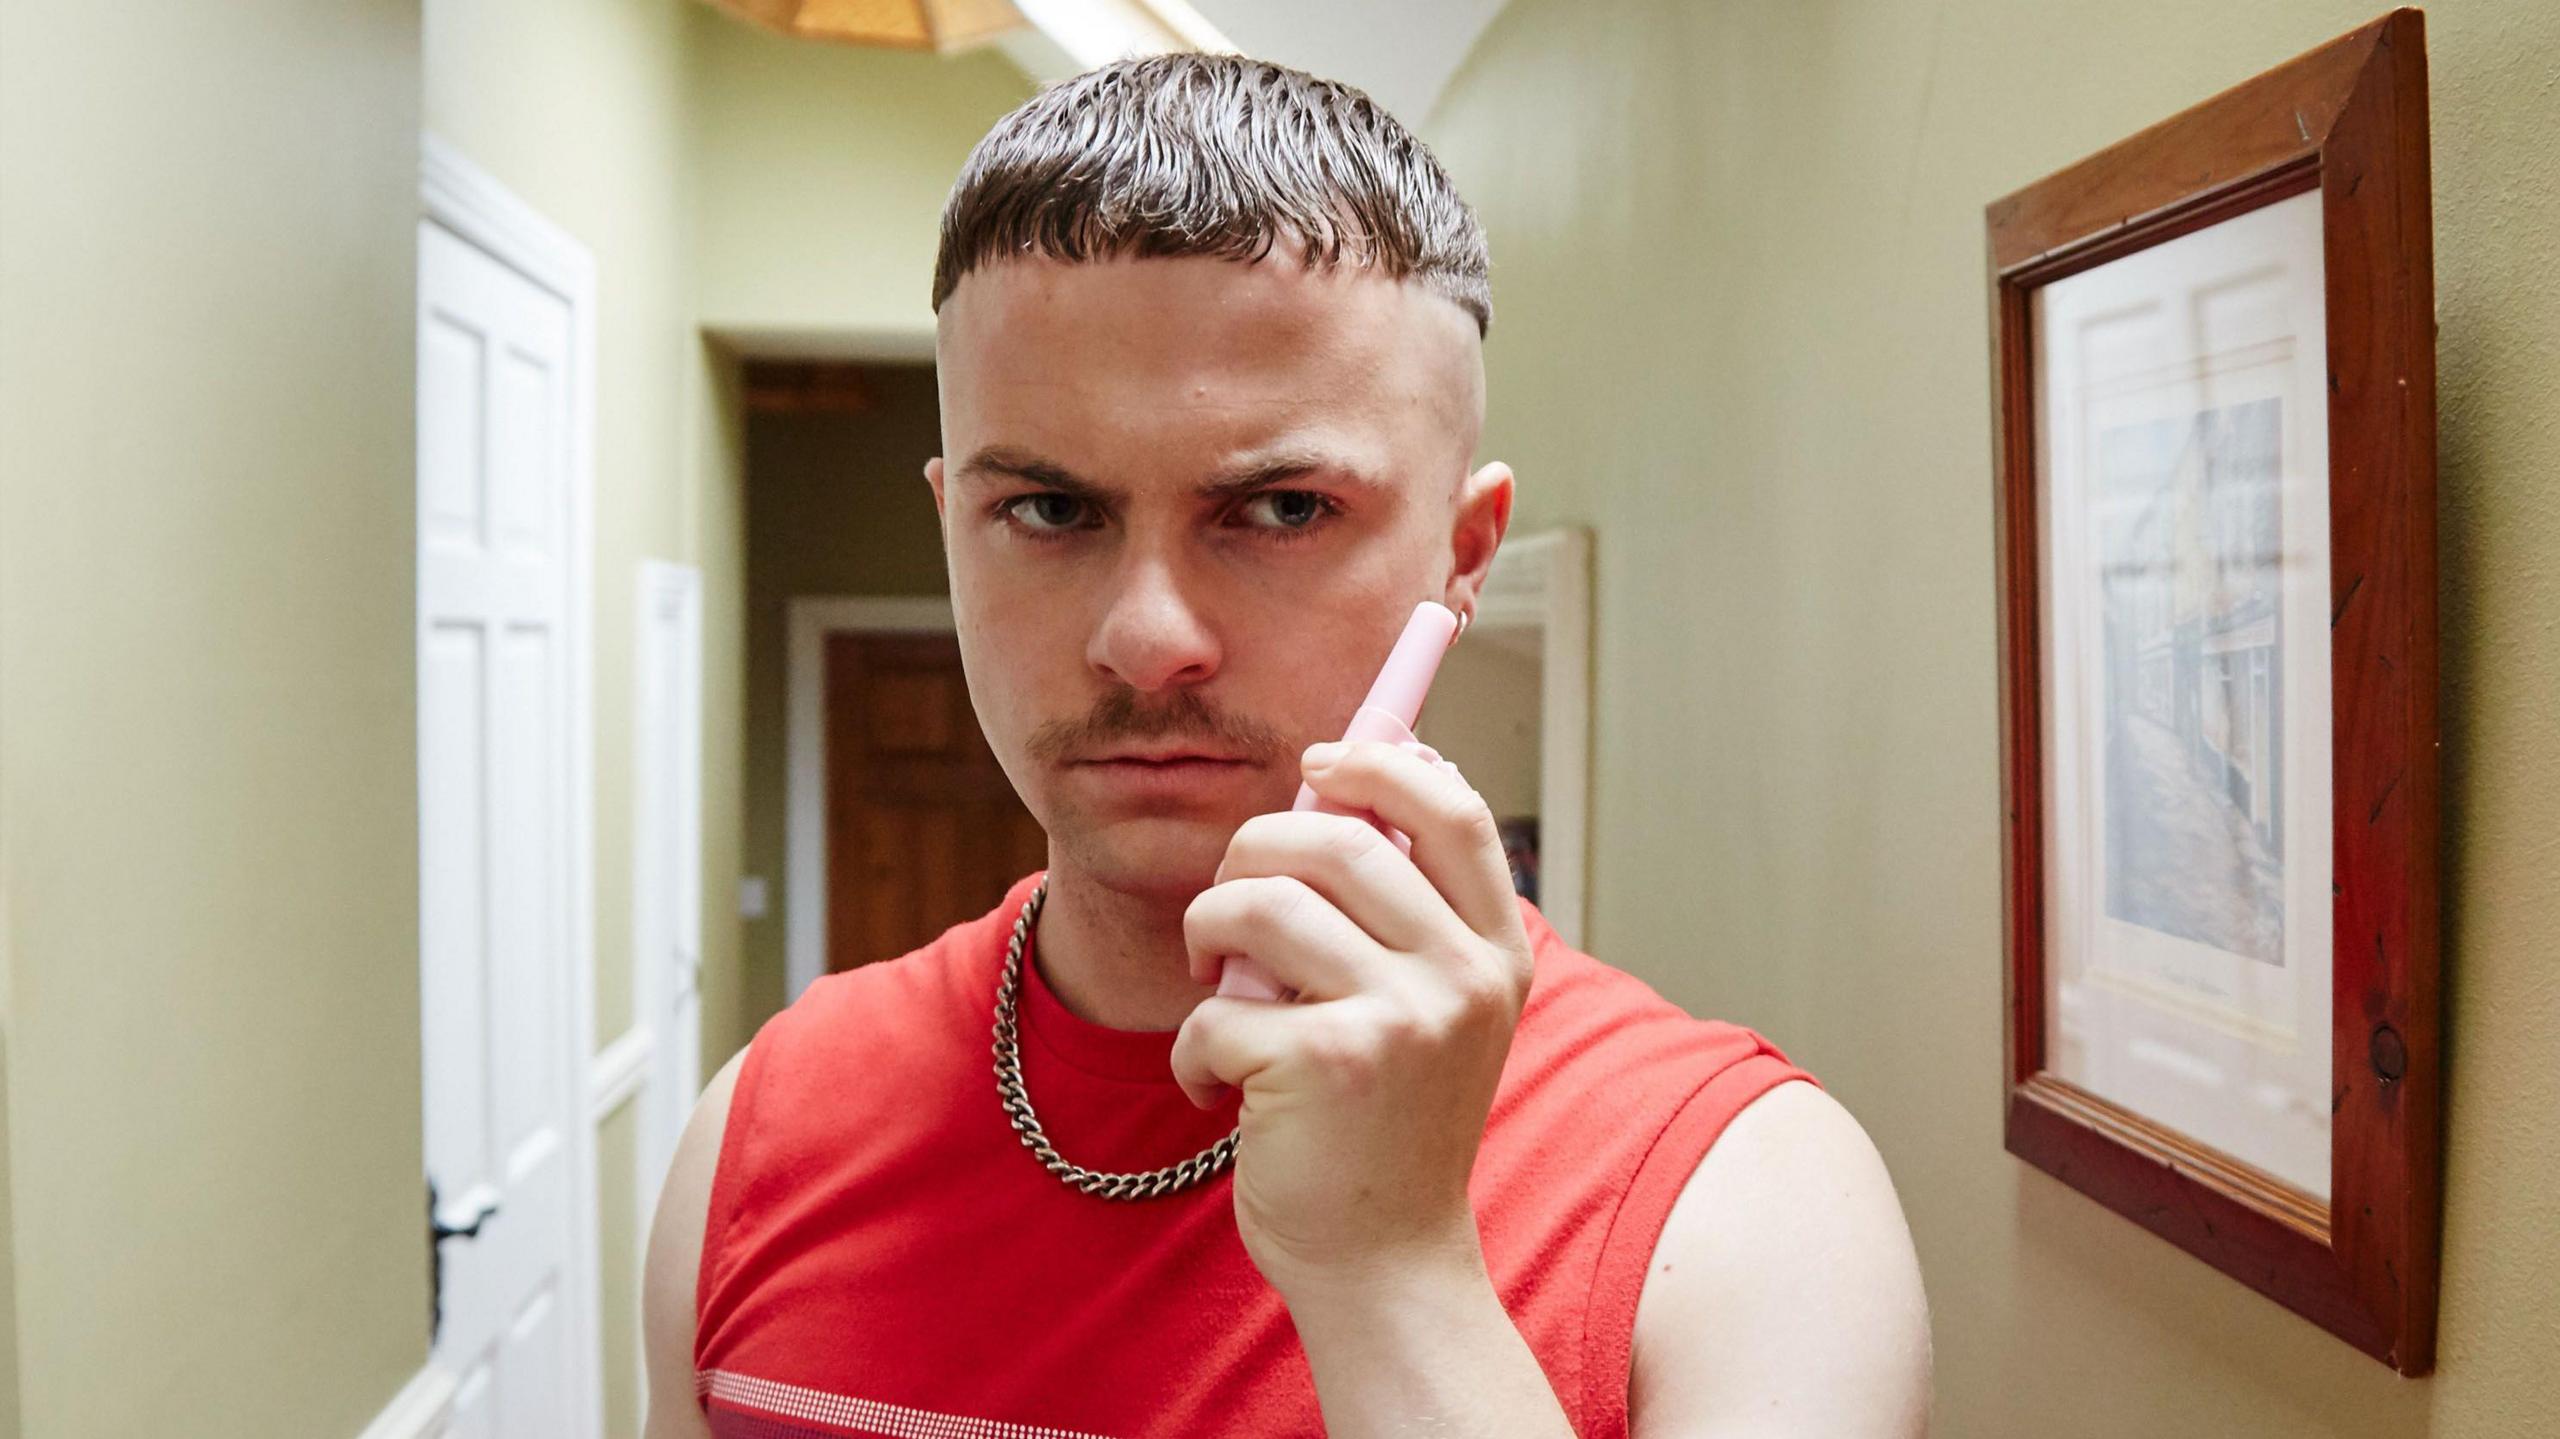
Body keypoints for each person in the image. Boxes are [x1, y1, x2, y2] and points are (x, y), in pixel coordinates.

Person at [644, 52, 1930, 1439]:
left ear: (1465, 555)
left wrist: (1391, 1274)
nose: (1146, 637)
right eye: (1050, 513)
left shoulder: (1744, 1210)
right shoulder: (756, 1130)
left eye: (1281, 511)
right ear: (953, 523)